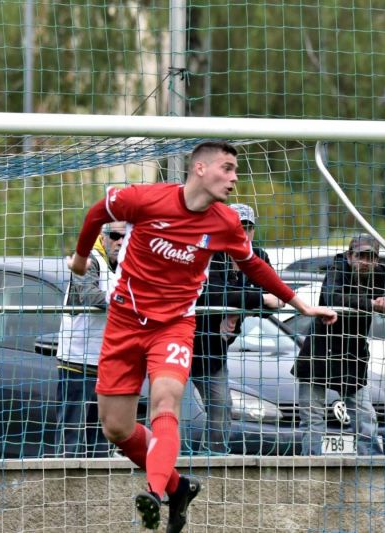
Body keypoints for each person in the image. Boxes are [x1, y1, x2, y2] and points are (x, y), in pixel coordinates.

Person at [68, 140, 337, 532]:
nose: (234, 178)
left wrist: (299, 303)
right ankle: (178, 489)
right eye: (227, 169)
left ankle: (156, 490)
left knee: (165, 402)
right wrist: (79, 256)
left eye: (235, 171)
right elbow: (98, 211)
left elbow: (255, 268)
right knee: (116, 427)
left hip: (174, 326)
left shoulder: (225, 222)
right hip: (125, 322)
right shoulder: (145, 199)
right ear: (200, 169)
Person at [190, 203, 283, 455]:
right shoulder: (209, 252)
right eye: (236, 226)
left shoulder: (258, 256)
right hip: (181, 342)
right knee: (169, 410)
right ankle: (166, 468)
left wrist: (237, 307)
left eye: (248, 227)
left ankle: (211, 465)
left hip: (214, 351)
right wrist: (254, 300)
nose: (242, 232)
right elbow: (209, 295)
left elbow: (277, 296)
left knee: (221, 408)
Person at [292, 233, 385, 456]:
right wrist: (371, 303)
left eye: (371, 257)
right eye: (361, 256)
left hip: (352, 356)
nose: (366, 262)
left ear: (377, 259)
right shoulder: (336, 270)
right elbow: (334, 298)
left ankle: (371, 466)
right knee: (313, 419)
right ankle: (311, 468)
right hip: (320, 355)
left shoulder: (378, 274)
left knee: (365, 417)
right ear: (350, 255)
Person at [56, 221, 125, 458]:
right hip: (77, 359)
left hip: (107, 360)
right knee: (72, 433)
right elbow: (89, 295)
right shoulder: (88, 260)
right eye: (115, 235)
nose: (120, 241)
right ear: (102, 236)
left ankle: (99, 485)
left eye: (124, 237)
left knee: (102, 433)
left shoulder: (125, 265)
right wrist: (126, 301)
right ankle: (64, 483)